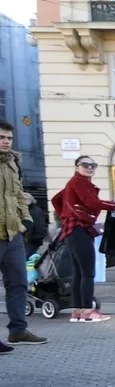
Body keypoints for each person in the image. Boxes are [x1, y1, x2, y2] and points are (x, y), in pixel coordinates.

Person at [51, 155, 115, 323]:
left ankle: (78, 312)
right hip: (79, 229)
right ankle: (88, 312)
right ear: (77, 167)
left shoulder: (75, 183)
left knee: (79, 273)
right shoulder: (79, 182)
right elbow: (91, 202)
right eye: (85, 165)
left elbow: (56, 200)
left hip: (72, 230)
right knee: (88, 273)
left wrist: (65, 215)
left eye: (93, 165)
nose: (90, 168)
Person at [0, 122, 45, 350]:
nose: (6, 141)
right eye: (1, 137)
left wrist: (26, 220)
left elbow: (18, 195)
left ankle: (18, 331)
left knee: (18, 283)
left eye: (9, 137)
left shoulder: (11, 163)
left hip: (13, 233)